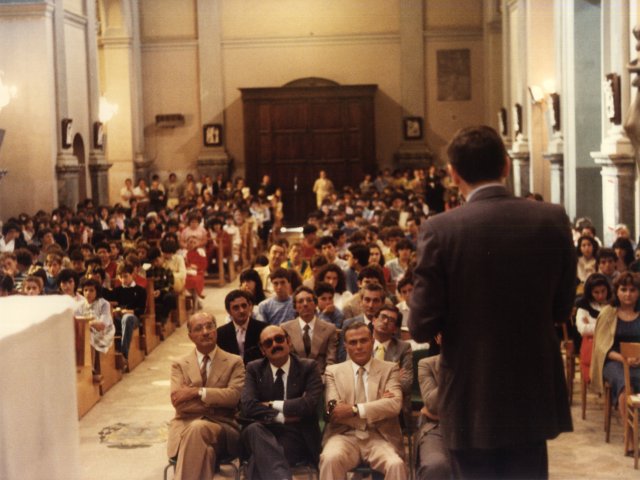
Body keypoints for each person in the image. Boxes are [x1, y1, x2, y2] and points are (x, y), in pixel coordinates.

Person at [409, 125, 575, 479]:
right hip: (531, 387)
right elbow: (563, 310)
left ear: (453, 175)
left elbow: (421, 324)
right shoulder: (551, 218)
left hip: (472, 393)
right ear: (505, 165)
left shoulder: (440, 229)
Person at [319, 321, 407, 480]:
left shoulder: (389, 369)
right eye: (353, 342)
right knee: (330, 459)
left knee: (395, 464)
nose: (358, 346)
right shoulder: (333, 371)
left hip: (379, 436)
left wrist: (354, 409)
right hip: (344, 436)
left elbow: (394, 405)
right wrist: (378, 405)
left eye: (363, 341)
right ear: (345, 346)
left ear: (372, 341)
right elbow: (335, 412)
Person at [168, 311, 245, 480]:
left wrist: (197, 392)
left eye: (209, 326)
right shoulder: (179, 364)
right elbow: (178, 403)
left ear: (216, 330)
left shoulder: (234, 362)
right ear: (190, 336)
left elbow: (233, 398)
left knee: (197, 427)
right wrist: (217, 400)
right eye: (198, 328)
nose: (205, 332)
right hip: (184, 428)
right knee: (206, 453)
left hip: (223, 427)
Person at [240, 325, 323, 480]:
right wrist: (282, 417)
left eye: (279, 339)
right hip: (262, 430)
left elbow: (309, 405)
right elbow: (247, 406)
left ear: (288, 341)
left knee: (258, 460)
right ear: (262, 350)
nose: (275, 345)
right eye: (268, 343)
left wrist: (270, 404)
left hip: (296, 433)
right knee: (254, 429)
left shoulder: (309, 367)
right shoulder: (254, 369)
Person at [590, 272, 640, 420]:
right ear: (616, 291)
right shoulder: (607, 313)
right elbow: (601, 347)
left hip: (638, 359)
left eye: (633, 290)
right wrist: (624, 358)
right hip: (614, 361)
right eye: (623, 289)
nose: (628, 294)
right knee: (625, 384)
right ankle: (629, 432)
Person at [281, 286, 337, 377]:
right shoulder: (285, 328)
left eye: (309, 300)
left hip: (320, 377)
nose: (305, 304)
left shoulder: (329, 329)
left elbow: (331, 360)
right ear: (295, 307)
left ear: (315, 304)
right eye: (300, 301)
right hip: (293, 377)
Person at [415, 342, 452, 480]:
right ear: (438, 337)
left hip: (473, 429)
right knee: (435, 465)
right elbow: (433, 405)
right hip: (437, 429)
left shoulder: (479, 364)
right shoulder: (427, 364)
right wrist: (452, 370)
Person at [217, 289, 267, 364]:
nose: (241, 310)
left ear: (249, 306)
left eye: (244, 306)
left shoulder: (263, 329)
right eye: (236, 308)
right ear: (229, 311)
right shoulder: (221, 333)